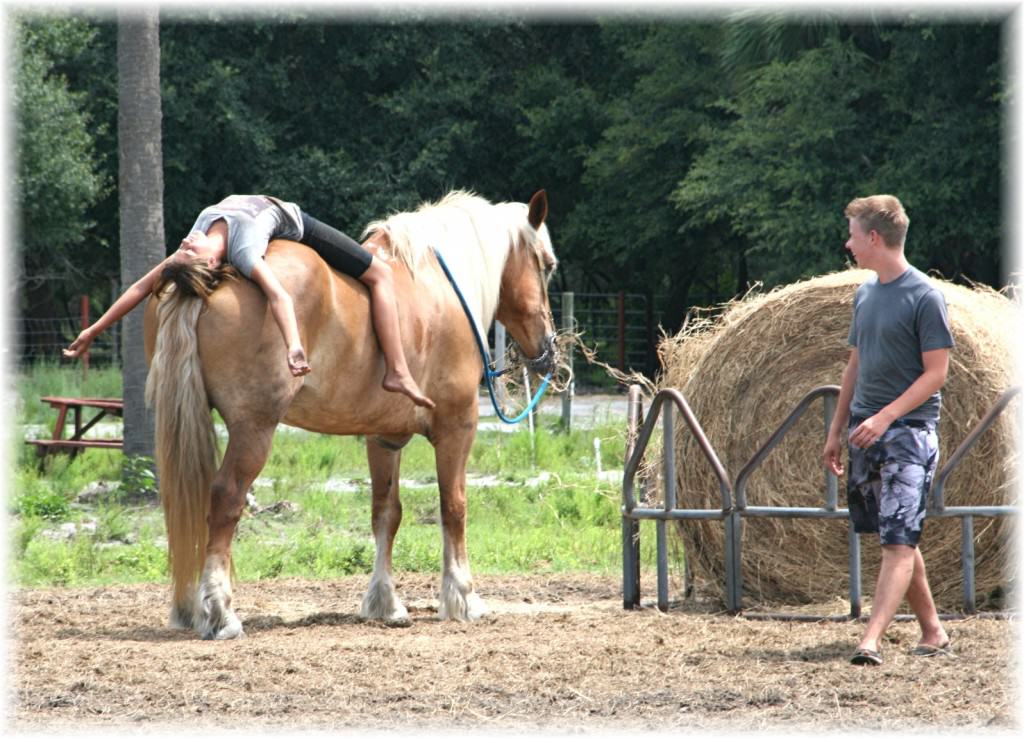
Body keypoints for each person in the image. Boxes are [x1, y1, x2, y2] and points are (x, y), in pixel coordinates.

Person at [64, 194, 434, 409]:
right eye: (185, 254)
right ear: (211, 263)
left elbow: (139, 288)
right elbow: (279, 295)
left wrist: (93, 330)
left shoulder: (196, 237)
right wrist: (293, 346)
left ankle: (398, 370)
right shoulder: (244, 252)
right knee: (380, 274)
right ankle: (398, 371)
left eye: (180, 251)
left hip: (267, 209)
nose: (182, 247)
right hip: (298, 223)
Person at [822, 194, 955, 666]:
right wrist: (837, 429)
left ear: (873, 238)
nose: (848, 243)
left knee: (897, 542)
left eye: (854, 235)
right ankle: (933, 630)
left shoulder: (925, 296)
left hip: (908, 434)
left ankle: (870, 640)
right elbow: (855, 364)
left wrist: (886, 418)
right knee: (895, 535)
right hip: (864, 433)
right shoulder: (865, 294)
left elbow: (936, 373)